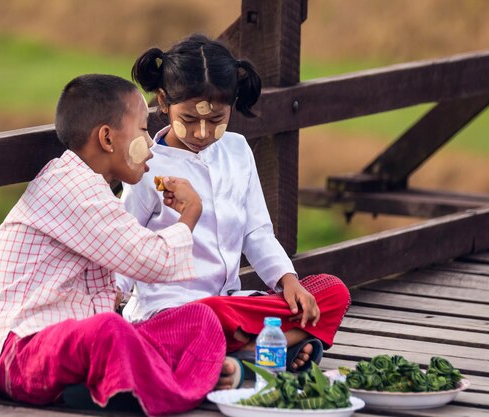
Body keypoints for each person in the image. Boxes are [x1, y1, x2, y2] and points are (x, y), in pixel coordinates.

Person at [0, 74, 240, 417]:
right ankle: (185, 387)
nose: (151, 143)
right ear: (106, 137)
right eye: (144, 129)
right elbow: (155, 261)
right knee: (111, 330)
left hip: (78, 350)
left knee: (199, 319)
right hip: (25, 354)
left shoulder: (95, 189)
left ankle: (128, 387)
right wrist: (190, 213)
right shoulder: (72, 189)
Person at [115, 34, 351, 385]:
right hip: (173, 311)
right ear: (163, 101)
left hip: (230, 303)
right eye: (189, 119)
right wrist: (113, 297)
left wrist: (288, 282)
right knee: (205, 315)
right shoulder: (147, 165)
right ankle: (275, 350)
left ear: (232, 106)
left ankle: (243, 355)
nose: (203, 131)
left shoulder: (238, 150)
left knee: (332, 291)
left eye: (216, 120)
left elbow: (257, 232)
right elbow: (123, 242)